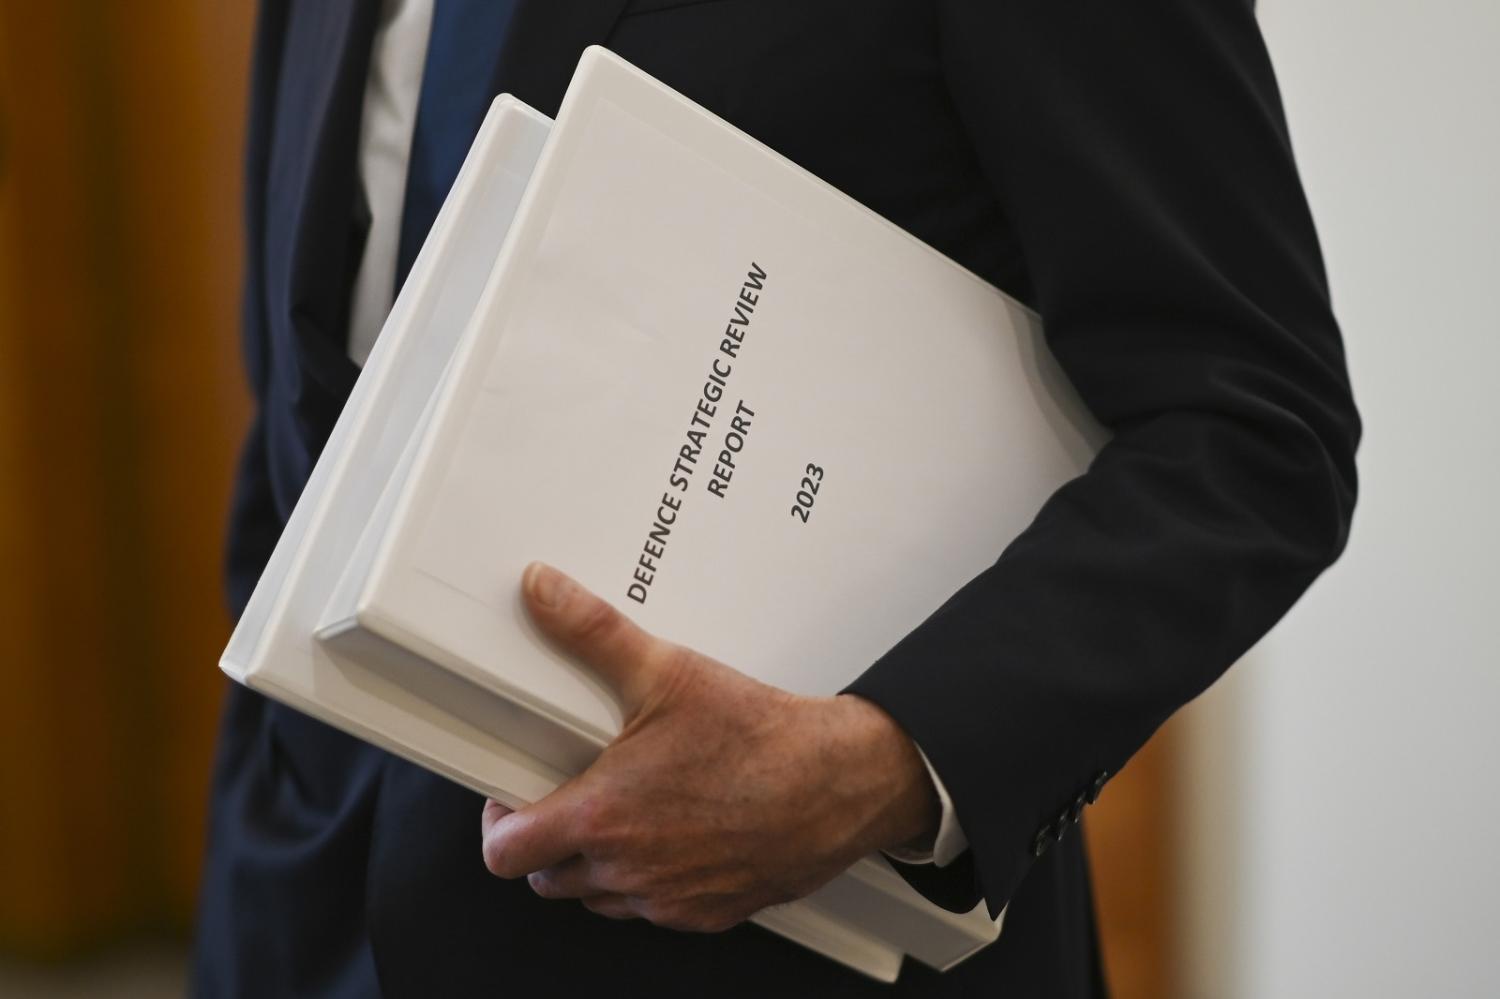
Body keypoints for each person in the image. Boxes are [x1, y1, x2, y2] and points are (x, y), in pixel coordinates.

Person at [193, 1, 1361, 995]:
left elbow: (1255, 429)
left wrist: (884, 766)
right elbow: (307, 400)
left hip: (790, 950)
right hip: (298, 916)